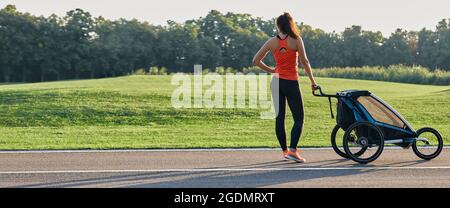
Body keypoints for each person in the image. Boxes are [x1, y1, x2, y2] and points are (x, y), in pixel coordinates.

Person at [252, 12, 319, 163]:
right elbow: (305, 62)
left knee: (279, 118)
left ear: (278, 25)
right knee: (299, 118)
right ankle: (293, 151)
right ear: (290, 24)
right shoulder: (296, 40)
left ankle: (285, 152)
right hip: (291, 82)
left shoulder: (271, 42)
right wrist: (313, 82)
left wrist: (272, 70)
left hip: (276, 82)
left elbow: (255, 60)